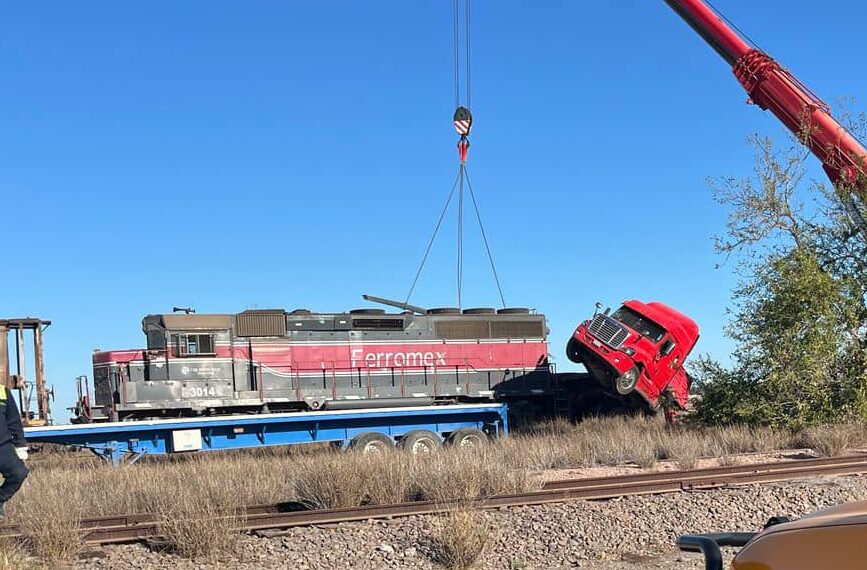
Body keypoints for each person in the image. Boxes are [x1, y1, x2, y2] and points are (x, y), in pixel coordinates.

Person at [0, 387, 28, 517]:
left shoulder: (3, 392)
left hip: (2, 446)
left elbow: (14, 422)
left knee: (19, 473)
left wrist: (20, 446)